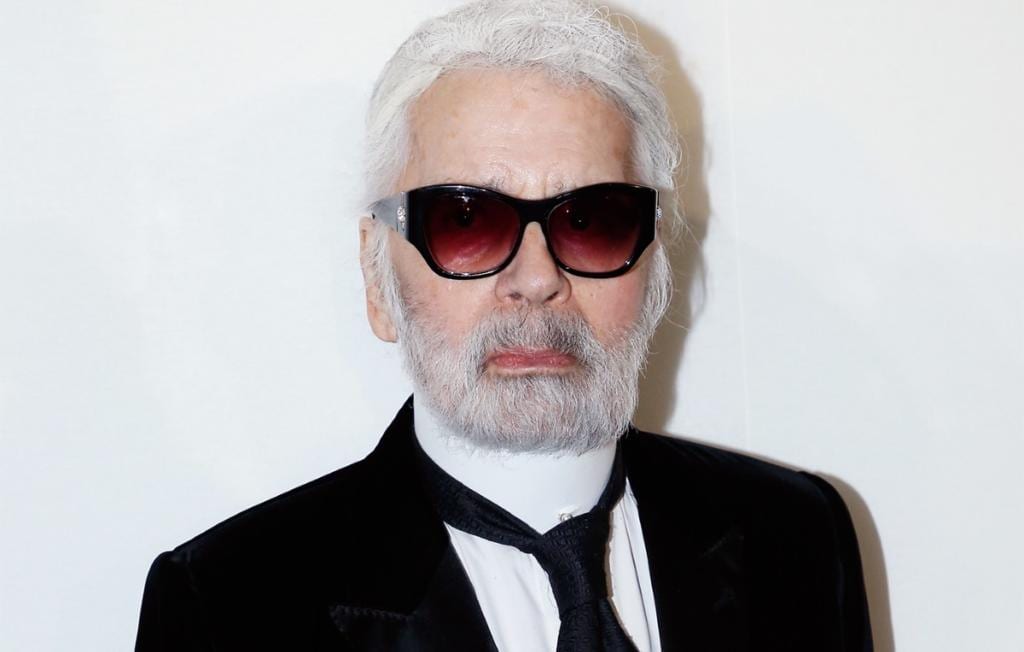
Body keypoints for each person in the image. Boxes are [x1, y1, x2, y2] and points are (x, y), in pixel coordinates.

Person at [135, 1, 872, 650]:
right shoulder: (227, 608)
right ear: (377, 276)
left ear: (654, 264)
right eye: (466, 221)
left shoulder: (798, 535)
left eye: (591, 220)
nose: (536, 278)